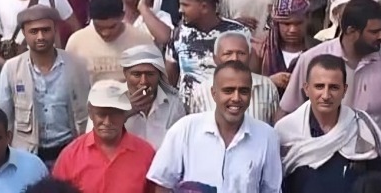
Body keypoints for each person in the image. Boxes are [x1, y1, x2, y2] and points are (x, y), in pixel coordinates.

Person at [278, 0, 381, 160]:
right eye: (373, 32)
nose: (380, 36)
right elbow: (287, 112)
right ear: (351, 31)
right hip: (321, 159)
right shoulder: (312, 59)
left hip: (374, 162)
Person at [147, 61, 284, 192]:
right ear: (214, 93)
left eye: (243, 91)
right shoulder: (185, 129)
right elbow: (162, 183)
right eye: (228, 91)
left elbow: (272, 189)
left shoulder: (267, 137)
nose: (236, 98)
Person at [275, 54, 381, 192]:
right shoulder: (285, 131)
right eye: (319, 86)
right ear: (306, 89)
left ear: (344, 90)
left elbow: (377, 180)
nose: (326, 95)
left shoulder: (361, 127)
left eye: (333, 88)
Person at [0, 5, 90, 163]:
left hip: (69, 152)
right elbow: (4, 116)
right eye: (33, 32)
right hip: (27, 156)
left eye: (46, 30)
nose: (40, 36)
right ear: (24, 34)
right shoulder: (12, 68)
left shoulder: (77, 65)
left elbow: (88, 111)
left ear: (55, 31)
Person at [52, 80, 157, 193]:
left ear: (125, 113)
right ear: (91, 113)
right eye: (101, 114)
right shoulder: (70, 157)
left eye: (114, 114)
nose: (107, 122)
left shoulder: (146, 154)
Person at [164, 0, 250, 111]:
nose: (180, 10)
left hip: (229, 110)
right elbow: (170, 82)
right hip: (188, 114)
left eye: (185, 5)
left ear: (204, 7)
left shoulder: (239, 33)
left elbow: (250, 74)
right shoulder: (178, 34)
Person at [66, 0, 155, 83]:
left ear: (122, 16)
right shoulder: (77, 42)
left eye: (112, 27)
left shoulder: (142, 41)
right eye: (99, 27)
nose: (105, 33)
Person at [191, 31, 280, 123]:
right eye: (228, 53)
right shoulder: (201, 91)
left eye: (241, 53)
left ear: (250, 57)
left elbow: (274, 125)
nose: (235, 58)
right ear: (215, 59)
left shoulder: (267, 86)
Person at [119, 44, 186, 150]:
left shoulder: (173, 104)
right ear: (125, 74)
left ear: (159, 75)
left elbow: (181, 145)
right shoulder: (111, 100)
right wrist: (126, 113)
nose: (144, 82)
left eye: (150, 74)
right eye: (136, 75)